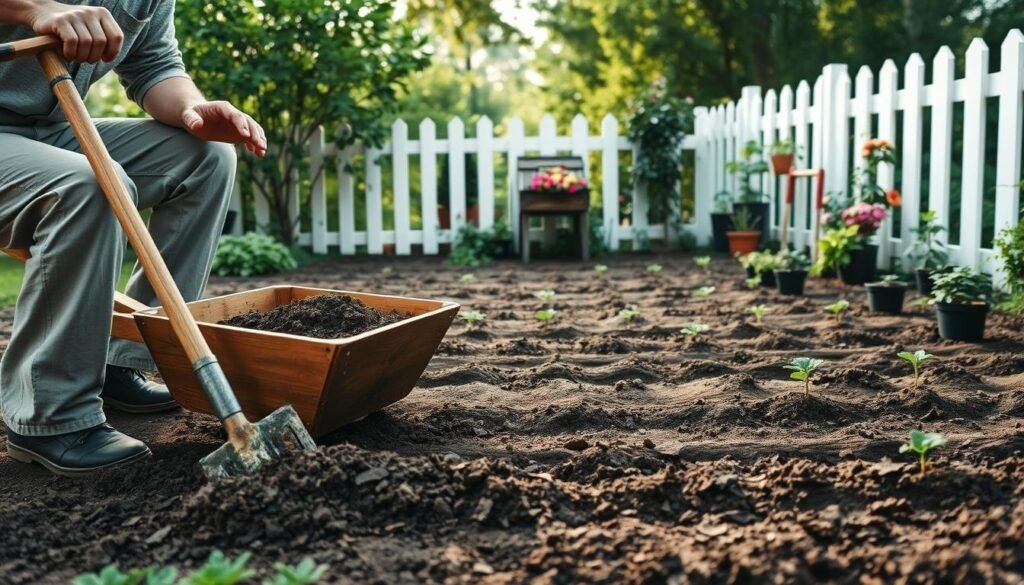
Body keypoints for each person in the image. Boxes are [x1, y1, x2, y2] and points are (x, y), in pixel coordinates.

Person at [0, 0, 267, 476]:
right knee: (89, 183)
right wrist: (35, 9)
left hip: (44, 129)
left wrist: (192, 111)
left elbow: (156, 66)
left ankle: (120, 360)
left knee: (207, 157)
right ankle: (49, 414)